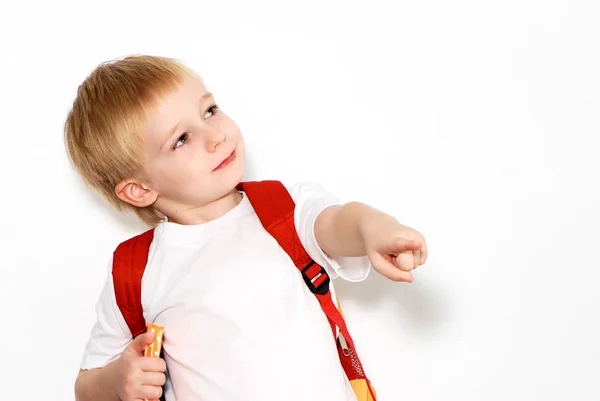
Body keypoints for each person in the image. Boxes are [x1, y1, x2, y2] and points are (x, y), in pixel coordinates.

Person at [65, 55, 428, 401]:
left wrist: (373, 227)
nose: (215, 136)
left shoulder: (282, 208)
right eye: (181, 139)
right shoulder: (135, 271)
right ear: (140, 189)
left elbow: (336, 221)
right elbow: (85, 387)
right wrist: (117, 381)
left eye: (209, 110)